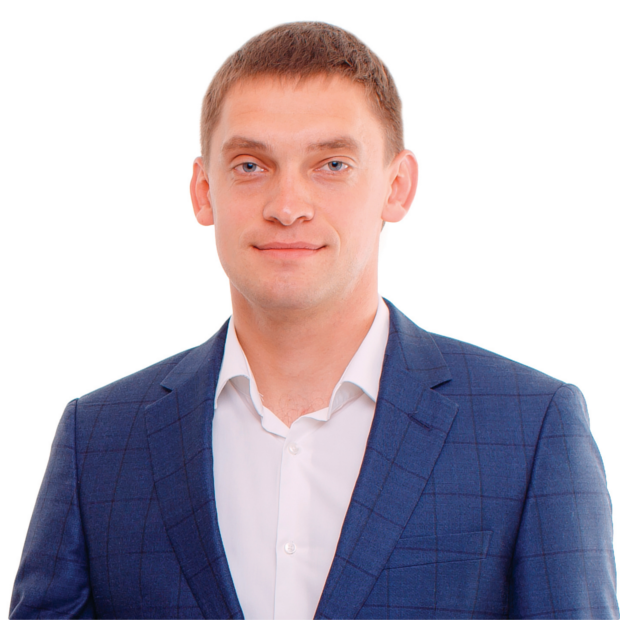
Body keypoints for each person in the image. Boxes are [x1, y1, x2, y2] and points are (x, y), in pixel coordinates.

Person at [9, 21, 618, 620]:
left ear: (397, 186)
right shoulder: (98, 442)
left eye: (331, 165)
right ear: (203, 190)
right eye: (251, 165)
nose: (287, 207)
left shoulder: (531, 429)